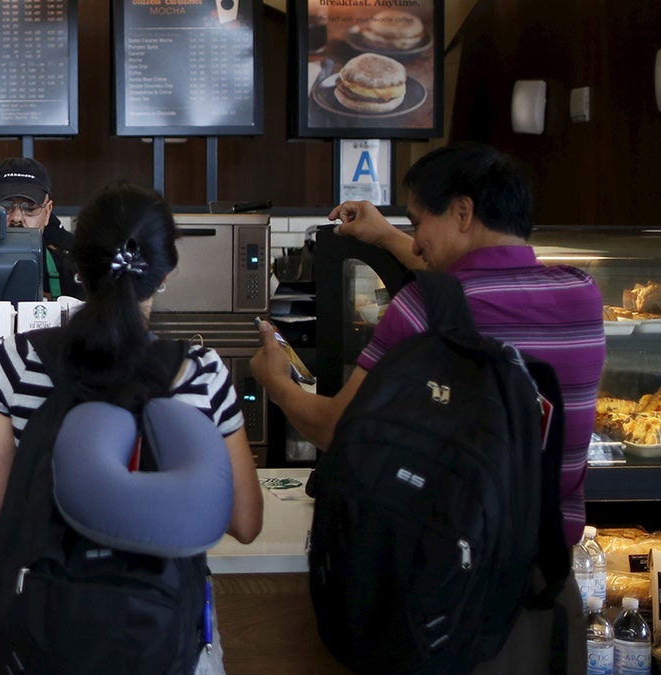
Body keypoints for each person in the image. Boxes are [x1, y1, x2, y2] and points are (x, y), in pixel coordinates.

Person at [252, 142, 605, 673]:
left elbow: (337, 429)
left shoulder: (419, 311)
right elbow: (461, 283)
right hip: (547, 589)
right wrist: (385, 236)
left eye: (418, 222)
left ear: (462, 212)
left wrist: (277, 384)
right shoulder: (583, 296)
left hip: (450, 596)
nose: (416, 242)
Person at [0, 180, 263, 673]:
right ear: (167, 268)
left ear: (80, 265)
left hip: (48, 628)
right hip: (161, 632)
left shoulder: (19, 360)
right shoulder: (202, 371)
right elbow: (244, 522)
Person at [0, 156, 85, 301]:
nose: (16, 218)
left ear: (48, 212)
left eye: (30, 208)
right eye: (5, 206)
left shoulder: (72, 273)